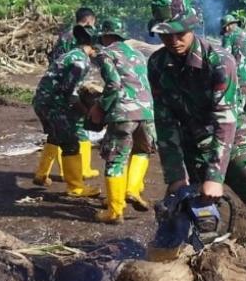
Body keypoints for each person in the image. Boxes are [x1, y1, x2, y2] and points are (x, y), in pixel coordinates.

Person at [149, 0, 246, 250]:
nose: (173, 41)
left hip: (231, 140)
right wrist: (176, 175)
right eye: (166, 35)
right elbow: (164, 122)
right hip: (191, 143)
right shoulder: (157, 64)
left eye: (180, 33)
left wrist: (214, 177)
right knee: (175, 212)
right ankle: (176, 265)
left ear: (191, 27)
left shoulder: (219, 61)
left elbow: (225, 121)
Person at [90, 19, 155, 223]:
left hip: (123, 112)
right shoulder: (138, 54)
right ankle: (132, 190)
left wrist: (100, 107)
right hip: (146, 112)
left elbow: (113, 84)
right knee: (142, 151)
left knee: (115, 160)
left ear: (106, 36)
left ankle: (115, 211)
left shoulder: (106, 53)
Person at [30, 26, 100, 198]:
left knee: (54, 136)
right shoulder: (81, 61)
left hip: (42, 101)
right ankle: (76, 187)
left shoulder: (69, 55)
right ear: (93, 46)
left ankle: (41, 174)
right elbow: (68, 91)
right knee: (71, 143)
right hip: (55, 105)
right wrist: (85, 112)